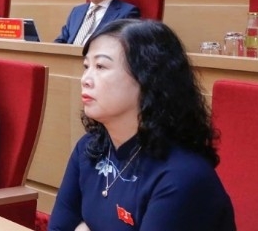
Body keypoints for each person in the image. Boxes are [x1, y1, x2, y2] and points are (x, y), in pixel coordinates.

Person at [49, 20, 235, 231]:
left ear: (148, 78)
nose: (85, 79)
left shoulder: (181, 175)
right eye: (86, 66)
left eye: (100, 66)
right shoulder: (89, 148)